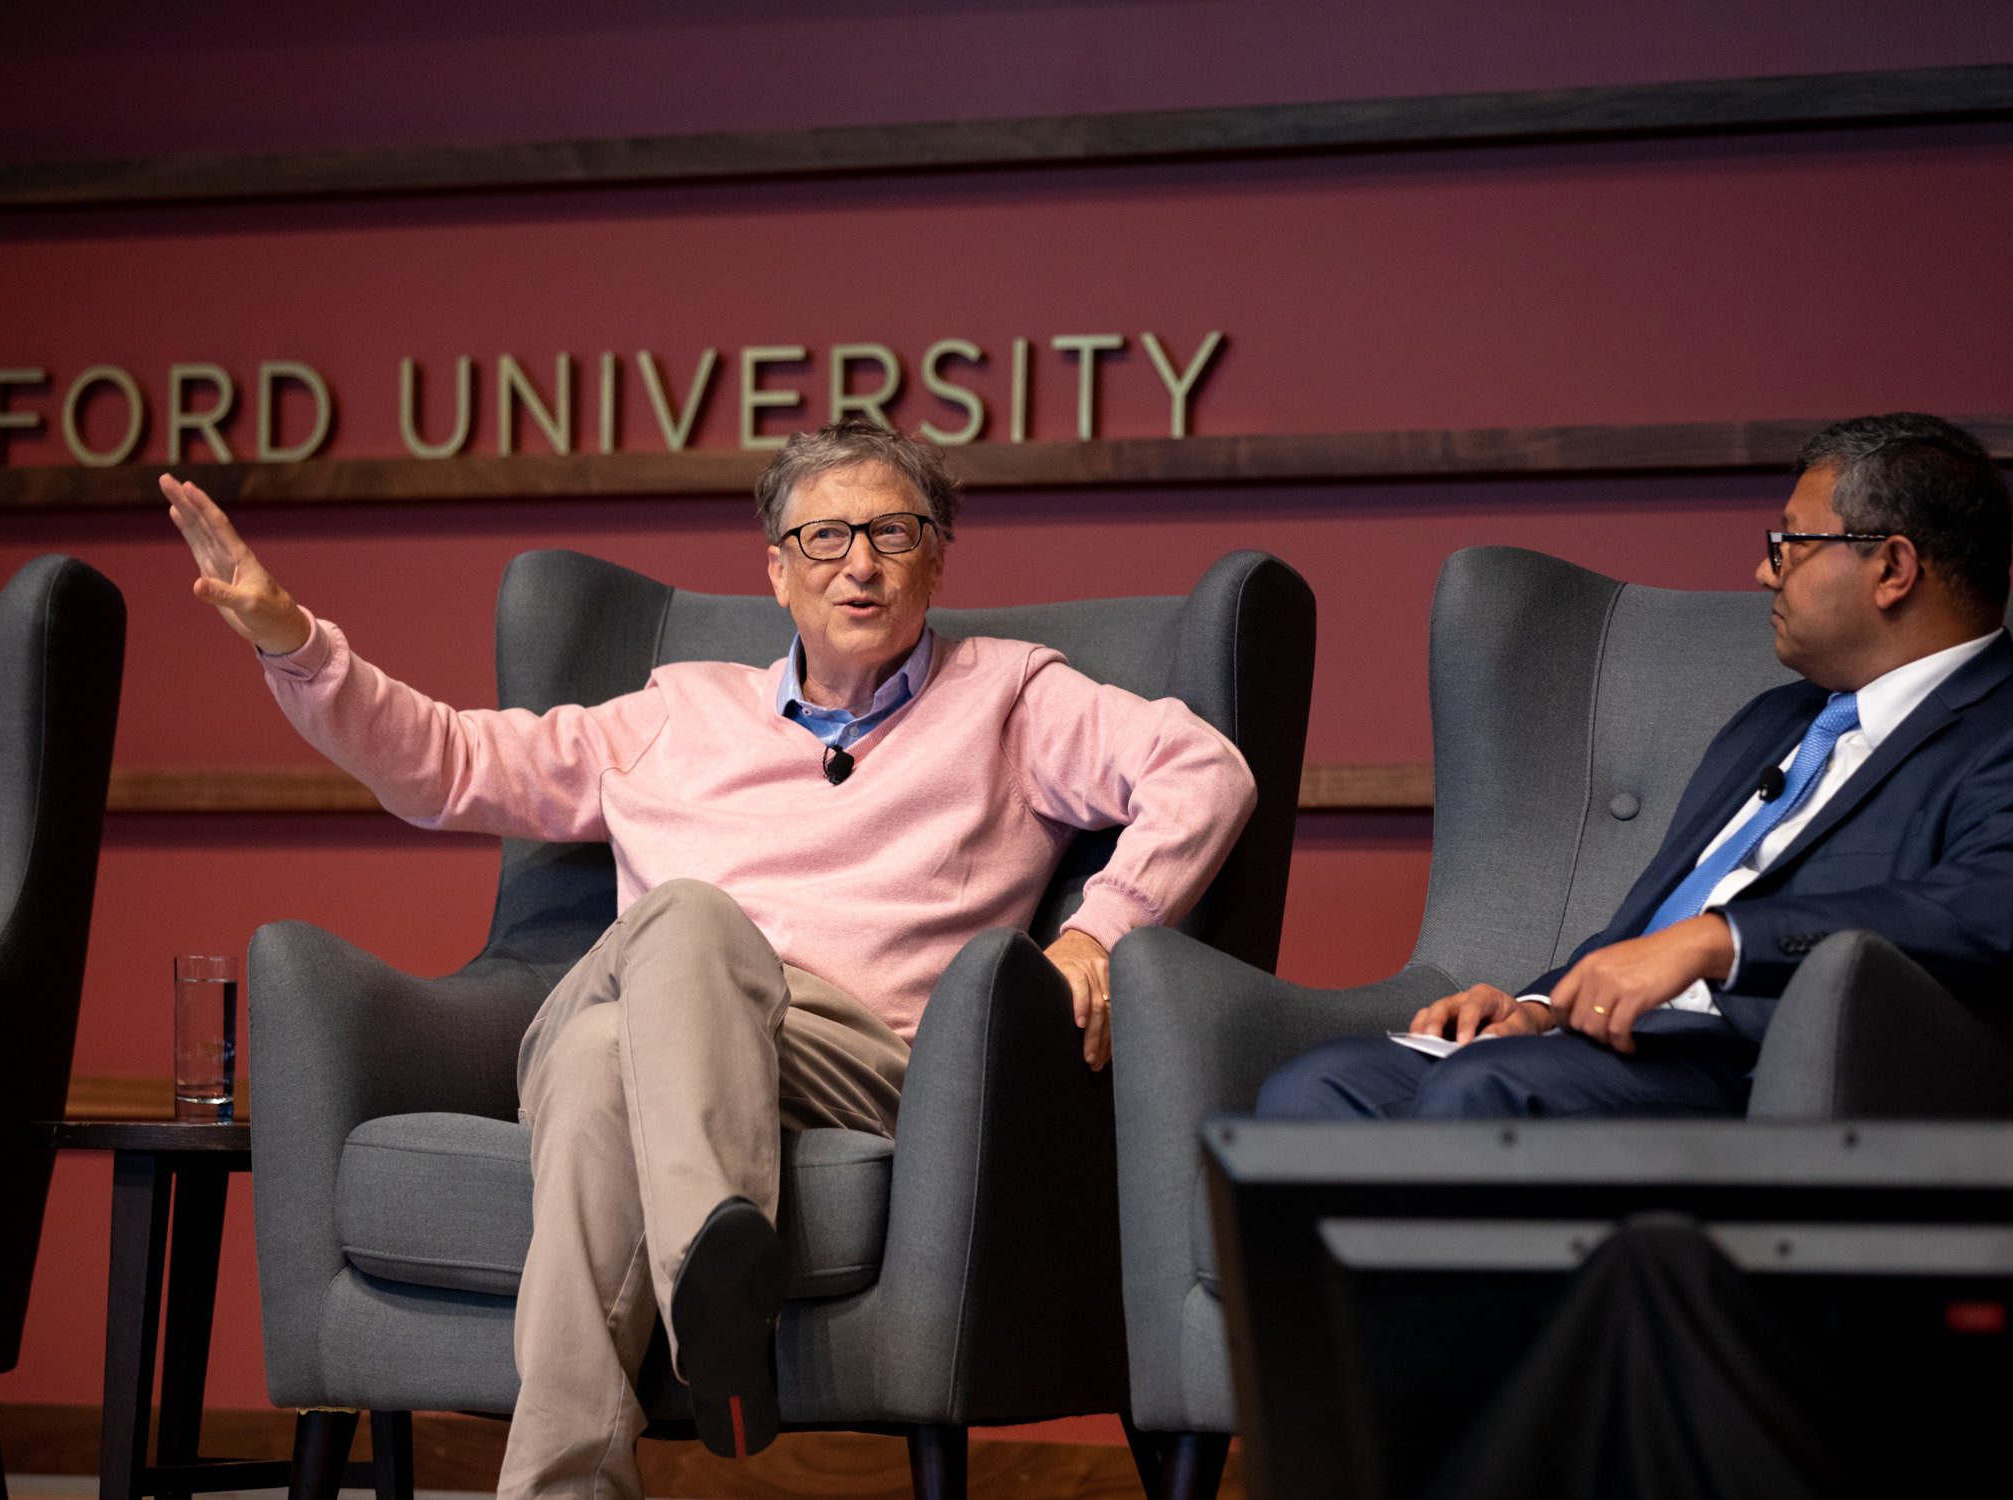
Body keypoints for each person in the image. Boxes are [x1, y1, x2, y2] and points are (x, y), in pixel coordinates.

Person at [162, 418, 1257, 1499]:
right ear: (777, 571)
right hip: (667, 1004)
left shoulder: (1013, 699)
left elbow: (1204, 772)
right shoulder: (677, 710)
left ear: (936, 560)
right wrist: (293, 642)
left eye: (894, 533)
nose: (861, 564)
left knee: (604, 1052)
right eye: (825, 538)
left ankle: (608, 1421)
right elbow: (445, 764)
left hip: (864, 1062)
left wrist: (1100, 927)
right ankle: (711, 1287)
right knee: (652, 971)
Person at [1259, 412, 2013, 1121]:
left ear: (1892, 567)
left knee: (1484, 1095)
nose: (1763, 571)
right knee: (1318, 1091)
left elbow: (1999, 915)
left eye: (1791, 544)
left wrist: (1722, 942)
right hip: (1604, 1045)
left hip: (1758, 1068)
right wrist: (1540, 1007)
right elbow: (1652, 923)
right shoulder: (1772, 721)